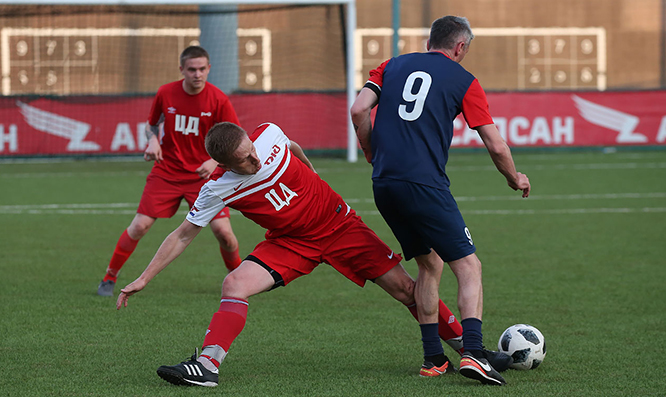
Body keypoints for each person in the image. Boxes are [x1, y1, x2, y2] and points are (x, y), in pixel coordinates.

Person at [116, 121, 498, 388]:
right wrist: (144, 278)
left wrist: (312, 171)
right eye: (244, 161)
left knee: (406, 290)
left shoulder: (267, 135)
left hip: (341, 227)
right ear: (224, 165)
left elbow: (291, 146)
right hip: (290, 243)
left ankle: (469, 350)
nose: (255, 161)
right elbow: (182, 235)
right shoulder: (217, 187)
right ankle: (207, 365)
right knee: (234, 283)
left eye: (251, 152)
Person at [350, 16, 530, 386]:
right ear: (460, 47)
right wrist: (515, 177)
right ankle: (475, 354)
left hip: (384, 183)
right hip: (424, 185)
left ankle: (433, 358)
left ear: (431, 39)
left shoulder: (391, 65)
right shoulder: (464, 80)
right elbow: (495, 143)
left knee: (429, 266)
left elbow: (358, 110)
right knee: (469, 267)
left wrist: (371, 151)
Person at [97, 46, 242, 297]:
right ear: (181, 70)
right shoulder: (166, 93)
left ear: (209, 69)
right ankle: (109, 278)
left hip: (203, 177)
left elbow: (236, 140)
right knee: (139, 226)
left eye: (202, 69)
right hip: (167, 172)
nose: (197, 74)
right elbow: (151, 125)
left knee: (225, 235)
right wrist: (152, 140)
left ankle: (241, 278)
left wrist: (214, 161)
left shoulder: (219, 100)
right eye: (191, 69)